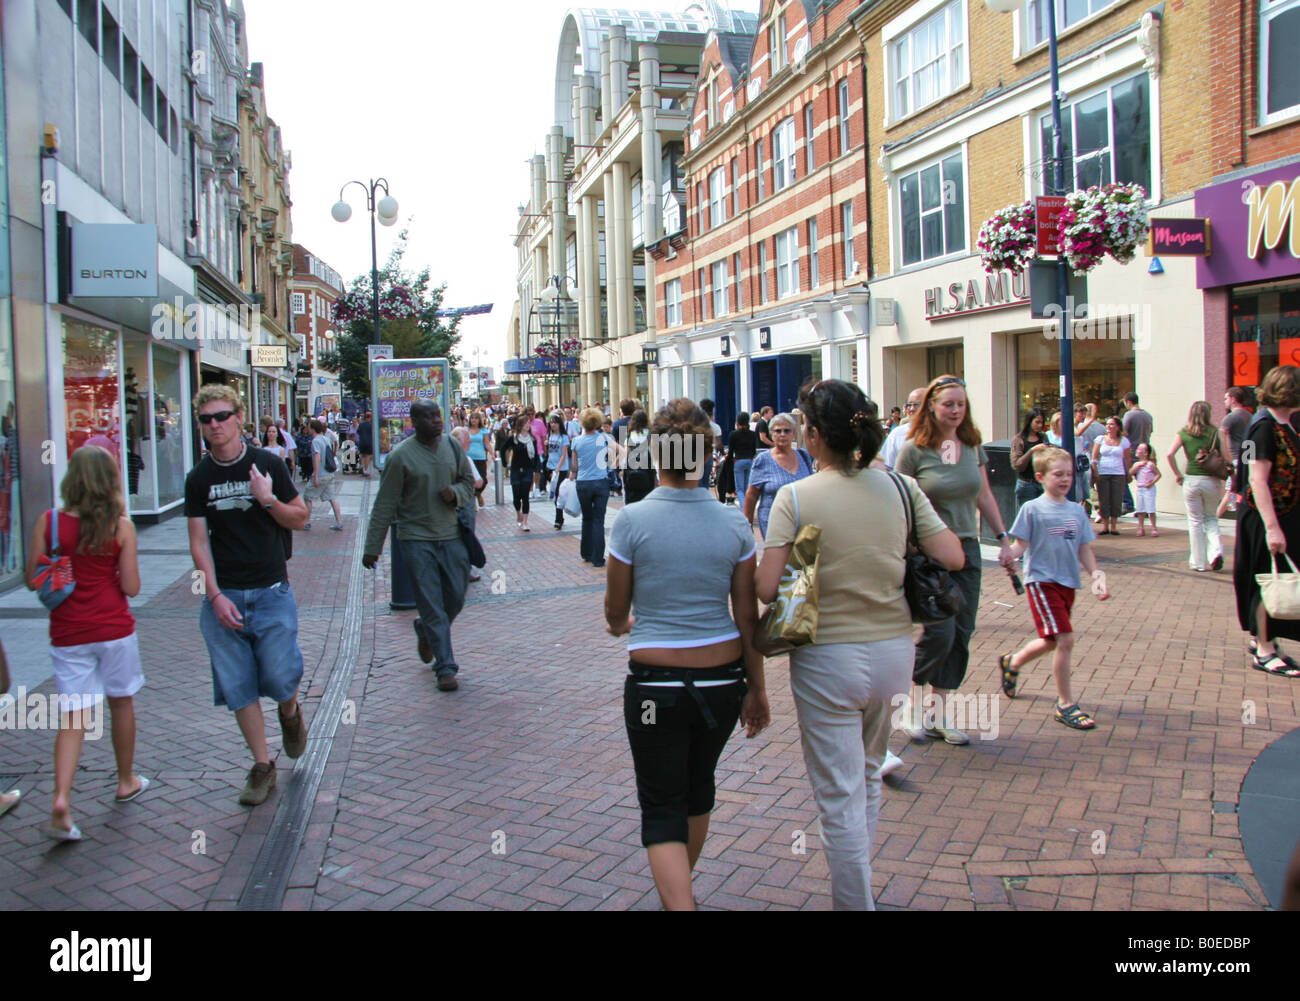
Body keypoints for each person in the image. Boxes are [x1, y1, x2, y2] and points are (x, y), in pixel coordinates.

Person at [756, 380, 962, 908]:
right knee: (867, 776)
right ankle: (860, 891)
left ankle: (856, 903)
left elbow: (765, 587)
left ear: (815, 435)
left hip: (827, 657)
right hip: (893, 651)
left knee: (837, 792)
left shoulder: (796, 496)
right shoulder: (899, 487)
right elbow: (954, 555)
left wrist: (811, 555)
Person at [606, 398, 770, 910]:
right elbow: (748, 617)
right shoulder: (733, 525)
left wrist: (621, 625)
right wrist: (758, 689)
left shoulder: (631, 521)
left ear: (656, 451)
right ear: (707, 455)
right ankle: (679, 892)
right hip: (722, 682)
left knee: (660, 806)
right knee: (698, 791)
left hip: (655, 685)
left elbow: (616, 610)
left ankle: (680, 902)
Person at [185, 384, 310, 806]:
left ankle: (290, 711)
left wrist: (267, 499)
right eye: (207, 419)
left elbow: (299, 518)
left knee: (277, 676)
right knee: (239, 686)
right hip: (225, 597)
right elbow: (199, 543)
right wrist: (215, 595)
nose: (215, 425)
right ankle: (262, 765)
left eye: (222, 416)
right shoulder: (198, 478)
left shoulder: (266, 464)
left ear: (240, 417)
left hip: (271, 589)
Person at [25, 446, 148, 839]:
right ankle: (125, 779)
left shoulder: (50, 523)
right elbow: (131, 587)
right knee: (121, 702)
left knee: (74, 717)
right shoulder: (121, 526)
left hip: (68, 633)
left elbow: (32, 579)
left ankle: (62, 798)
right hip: (113, 629)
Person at [895, 375, 1015, 745]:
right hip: (929, 553)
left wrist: (1003, 538)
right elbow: (898, 501)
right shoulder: (914, 449)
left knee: (962, 632)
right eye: (949, 404)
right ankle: (909, 707)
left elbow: (984, 495)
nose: (956, 411)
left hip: (968, 549)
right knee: (939, 631)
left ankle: (939, 713)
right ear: (931, 405)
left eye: (961, 404)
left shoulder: (971, 444)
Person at [363, 401, 476, 691]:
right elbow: (384, 503)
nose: (436, 421)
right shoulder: (401, 456)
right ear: (413, 421)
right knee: (431, 603)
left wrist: (456, 494)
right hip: (416, 539)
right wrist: (372, 547)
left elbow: (469, 482)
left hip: (451, 535)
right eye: (428, 417)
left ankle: (426, 631)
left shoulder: (452, 447)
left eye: (437, 415)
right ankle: (446, 667)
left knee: (456, 596)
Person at [997, 447, 1109, 730]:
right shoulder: (1031, 509)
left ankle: (1013, 662)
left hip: (1067, 583)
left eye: (1069, 474)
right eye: (1058, 474)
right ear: (1040, 477)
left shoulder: (1076, 511)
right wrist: (1009, 554)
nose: (1065, 479)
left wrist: (1096, 575)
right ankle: (1066, 704)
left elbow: (1084, 548)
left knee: (1051, 641)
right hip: (1041, 582)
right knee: (1065, 639)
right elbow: (1020, 545)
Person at [1232, 366, 1300, 677]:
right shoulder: (1264, 426)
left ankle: (1266, 640)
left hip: (1280, 515)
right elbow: (1256, 480)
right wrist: (1272, 528)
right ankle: (1263, 648)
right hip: (1266, 518)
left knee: (1272, 579)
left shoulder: (1280, 423)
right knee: (1265, 582)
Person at [1166, 400, 1226, 572]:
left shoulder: (1183, 433)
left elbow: (1170, 453)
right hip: (1211, 480)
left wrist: (1178, 473)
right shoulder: (1216, 432)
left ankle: (1198, 562)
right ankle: (1216, 552)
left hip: (1191, 479)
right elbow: (1226, 457)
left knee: (1195, 521)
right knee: (1211, 518)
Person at [744, 412, 813, 538]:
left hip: (802, 523)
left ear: (793, 434)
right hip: (773, 521)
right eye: (778, 431)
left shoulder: (804, 456)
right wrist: (747, 524)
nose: (782, 434)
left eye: (787, 431)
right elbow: (752, 494)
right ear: (771, 434)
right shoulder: (763, 460)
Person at [572, 406, 620, 567]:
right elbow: (622, 452)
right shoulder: (605, 438)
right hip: (601, 482)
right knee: (599, 520)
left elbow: (574, 467)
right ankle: (598, 558)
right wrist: (613, 465)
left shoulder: (576, 441)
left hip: (583, 482)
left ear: (583, 423)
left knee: (587, 518)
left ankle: (586, 552)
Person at [1217, 386, 1256, 518]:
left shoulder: (1231, 418)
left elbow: (1222, 438)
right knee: (1241, 488)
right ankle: (1236, 510)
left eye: (1226, 398)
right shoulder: (1250, 416)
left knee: (1231, 489)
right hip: (1247, 457)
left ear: (1233, 399)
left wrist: (1227, 459)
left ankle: (1215, 518)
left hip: (1236, 457)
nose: (1224, 401)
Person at [1090, 416, 1131, 536]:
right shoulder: (1100, 439)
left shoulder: (1124, 441)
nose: (1108, 426)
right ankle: (1105, 526)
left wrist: (1128, 472)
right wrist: (1095, 471)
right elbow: (1094, 457)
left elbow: (1128, 459)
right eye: (1107, 424)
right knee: (1104, 499)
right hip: (1103, 472)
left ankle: (1113, 526)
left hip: (1118, 473)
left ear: (1118, 427)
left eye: (1112, 424)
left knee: (1116, 499)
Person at [302, 420, 343, 532]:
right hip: (329, 473)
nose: (308, 429)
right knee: (332, 498)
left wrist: (315, 475)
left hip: (320, 474)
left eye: (309, 427)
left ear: (313, 429)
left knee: (307, 496)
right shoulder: (326, 439)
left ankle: (307, 522)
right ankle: (339, 521)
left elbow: (317, 457)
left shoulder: (315, 441)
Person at [502, 414, 539, 532]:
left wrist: (536, 467)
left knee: (525, 496)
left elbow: (536, 455)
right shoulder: (514, 438)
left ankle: (525, 522)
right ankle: (518, 513)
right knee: (516, 495)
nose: (528, 425)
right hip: (516, 470)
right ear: (521, 425)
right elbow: (503, 449)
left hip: (527, 470)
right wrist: (504, 462)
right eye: (526, 423)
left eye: (529, 423)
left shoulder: (532, 439)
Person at [1010, 409, 1050, 509]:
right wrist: (1032, 451)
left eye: (1042, 422)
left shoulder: (1043, 437)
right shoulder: (1019, 439)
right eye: (1037, 422)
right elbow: (1017, 465)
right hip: (1027, 484)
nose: (1040, 425)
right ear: (1029, 421)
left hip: (1042, 482)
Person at [1121, 392, 1152, 514]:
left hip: (1133, 451)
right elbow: (1150, 432)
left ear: (1128, 402)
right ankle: (1145, 509)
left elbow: (1124, 433)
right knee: (1144, 481)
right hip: (1146, 450)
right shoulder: (1148, 416)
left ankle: (1128, 503)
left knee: (1124, 477)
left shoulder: (1129, 415)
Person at [880, 387, 926, 470]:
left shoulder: (945, 434)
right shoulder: (897, 434)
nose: (912, 409)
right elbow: (886, 467)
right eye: (909, 405)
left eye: (917, 405)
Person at [543, 414, 572, 529]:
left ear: (560, 424)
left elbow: (564, 455)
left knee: (557, 494)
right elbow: (547, 453)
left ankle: (558, 519)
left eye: (555, 422)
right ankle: (560, 517)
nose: (553, 424)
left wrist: (558, 468)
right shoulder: (549, 435)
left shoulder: (564, 437)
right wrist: (545, 445)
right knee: (553, 492)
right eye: (551, 422)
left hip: (561, 468)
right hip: (550, 466)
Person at [622, 409, 656, 505]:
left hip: (632, 470)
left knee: (631, 496)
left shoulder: (630, 435)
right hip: (647, 470)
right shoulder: (650, 434)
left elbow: (626, 454)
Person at [1130, 443, 1161, 537]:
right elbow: (1131, 473)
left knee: (1151, 509)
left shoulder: (1150, 464)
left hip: (1149, 489)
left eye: (1141, 449)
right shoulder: (1137, 464)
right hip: (1140, 488)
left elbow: (1158, 474)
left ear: (1146, 453)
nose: (1138, 450)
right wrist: (1137, 466)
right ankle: (1141, 527)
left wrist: (1151, 483)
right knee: (1140, 509)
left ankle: (1154, 528)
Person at [728, 412, 758, 504]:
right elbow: (754, 449)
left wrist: (729, 461)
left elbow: (731, 450)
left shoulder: (733, 434)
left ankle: (744, 509)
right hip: (750, 460)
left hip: (738, 460)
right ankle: (747, 508)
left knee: (739, 489)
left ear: (738, 422)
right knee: (746, 487)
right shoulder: (753, 434)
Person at [466, 412, 494, 508]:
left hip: (480, 458)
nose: (473, 420)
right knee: (470, 480)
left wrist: (492, 453)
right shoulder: (466, 430)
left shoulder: (483, 430)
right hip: (468, 458)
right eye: (472, 418)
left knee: (483, 480)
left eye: (476, 418)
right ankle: (473, 499)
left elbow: (487, 443)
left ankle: (478, 494)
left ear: (479, 420)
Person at [698, 398, 722, 491]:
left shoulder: (695, 424)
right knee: (706, 481)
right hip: (708, 455)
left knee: (697, 481)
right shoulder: (715, 427)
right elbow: (719, 445)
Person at [357, 411, 374, 477]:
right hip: (369, 442)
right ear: (371, 417)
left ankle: (361, 466)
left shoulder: (361, 424)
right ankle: (365, 470)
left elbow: (358, 432)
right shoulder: (372, 425)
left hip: (362, 442)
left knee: (363, 455)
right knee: (367, 456)